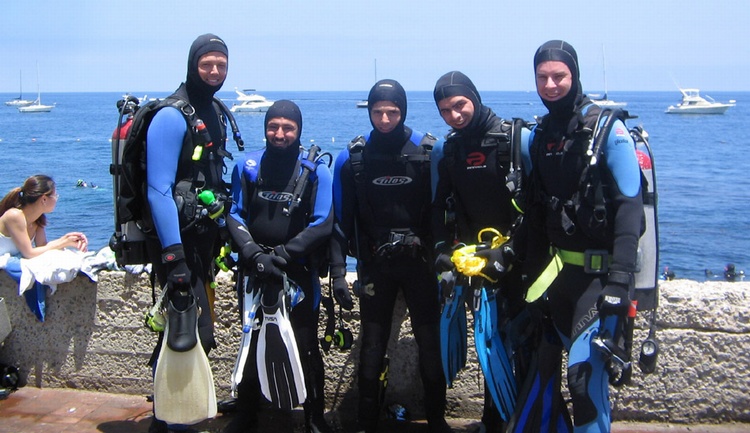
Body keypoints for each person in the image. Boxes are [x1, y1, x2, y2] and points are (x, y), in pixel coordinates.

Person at [521, 40, 644, 433]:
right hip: (557, 281)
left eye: (559, 76)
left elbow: (630, 208)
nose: (551, 84)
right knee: (548, 379)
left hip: (598, 281)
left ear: (574, 75)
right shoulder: (540, 136)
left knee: (584, 383)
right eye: (543, 77)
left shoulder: (608, 129)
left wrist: (620, 282)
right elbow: (537, 214)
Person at [329, 79, 450, 433]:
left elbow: (444, 211)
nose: (384, 119)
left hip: (421, 265)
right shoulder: (353, 157)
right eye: (378, 112)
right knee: (372, 346)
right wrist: (339, 272)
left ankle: (438, 421)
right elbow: (339, 220)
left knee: (430, 345)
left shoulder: (428, 152)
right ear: (369, 111)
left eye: (392, 111)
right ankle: (366, 423)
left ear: (403, 110)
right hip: (375, 265)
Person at [225, 100, 335, 433]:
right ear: (265, 128)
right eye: (273, 126)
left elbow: (323, 222)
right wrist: (255, 255)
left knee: (305, 344)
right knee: (251, 341)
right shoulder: (248, 166)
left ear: (298, 130)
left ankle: (314, 416)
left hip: (297, 274)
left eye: (288, 127)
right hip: (255, 270)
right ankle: (247, 413)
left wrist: (282, 255)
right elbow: (234, 214)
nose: (280, 133)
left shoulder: (315, 171)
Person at [144, 34, 233, 433]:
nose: (214, 72)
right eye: (207, 64)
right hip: (178, 249)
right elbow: (157, 189)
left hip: (202, 246)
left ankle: (171, 418)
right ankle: (173, 422)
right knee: (188, 334)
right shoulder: (170, 115)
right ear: (192, 64)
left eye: (221, 64)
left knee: (188, 335)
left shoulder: (214, 110)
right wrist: (174, 258)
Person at [431, 71, 528, 433]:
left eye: (460, 105)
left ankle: (522, 421)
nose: (454, 115)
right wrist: (442, 251)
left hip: (516, 263)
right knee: (489, 347)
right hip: (475, 265)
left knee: (522, 346)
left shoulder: (514, 140)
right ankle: (494, 421)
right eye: (445, 110)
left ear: (474, 96)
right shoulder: (450, 150)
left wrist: (512, 252)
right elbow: (437, 207)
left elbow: (537, 208)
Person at [0, 175, 88, 322]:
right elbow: (29, 253)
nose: (57, 198)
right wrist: (62, 242)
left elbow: (42, 249)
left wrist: (69, 241)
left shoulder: (38, 221)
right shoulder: (14, 216)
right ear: (44, 199)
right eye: (55, 195)